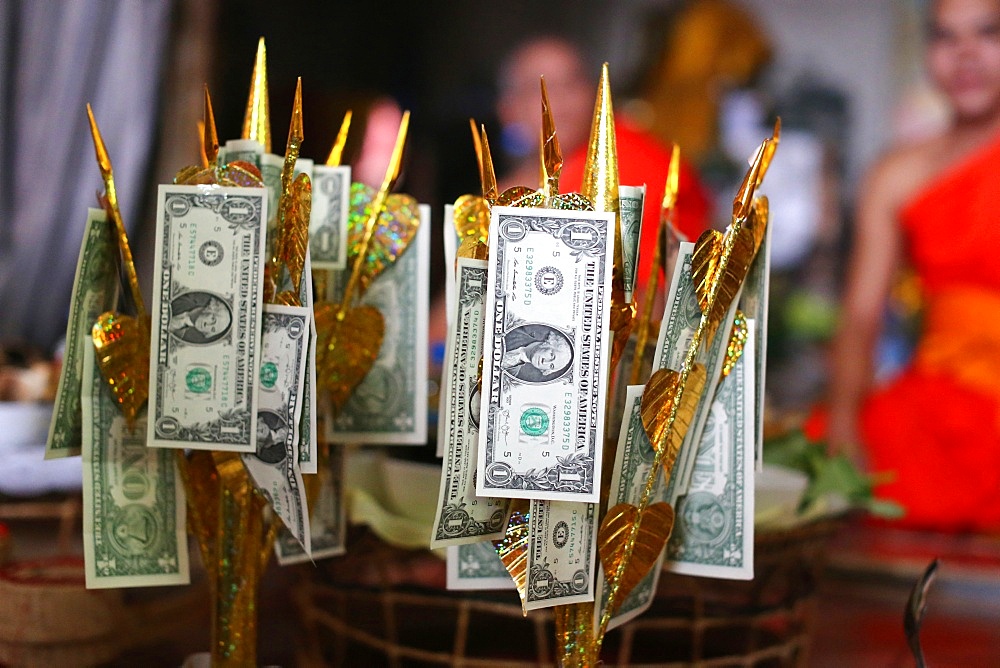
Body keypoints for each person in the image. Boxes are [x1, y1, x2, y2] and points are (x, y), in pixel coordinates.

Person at [827, 0, 1000, 531]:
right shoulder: (897, 175)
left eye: (988, 33)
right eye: (946, 38)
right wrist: (842, 426)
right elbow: (860, 317)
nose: (966, 55)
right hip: (942, 411)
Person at [495, 37, 713, 293]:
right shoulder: (510, 188)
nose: (559, 101)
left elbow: (653, 301)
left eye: (572, 83)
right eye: (539, 87)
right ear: (508, 110)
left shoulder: (642, 163)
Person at [501, 324, 573, 382]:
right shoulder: (516, 329)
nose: (545, 362)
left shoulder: (514, 376)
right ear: (549, 343)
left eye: (551, 366)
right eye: (552, 355)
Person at [168, 291, 233, 344]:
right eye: (213, 319)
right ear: (211, 308)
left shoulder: (185, 339)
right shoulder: (186, 297)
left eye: (212, 329)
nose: (207, 325)